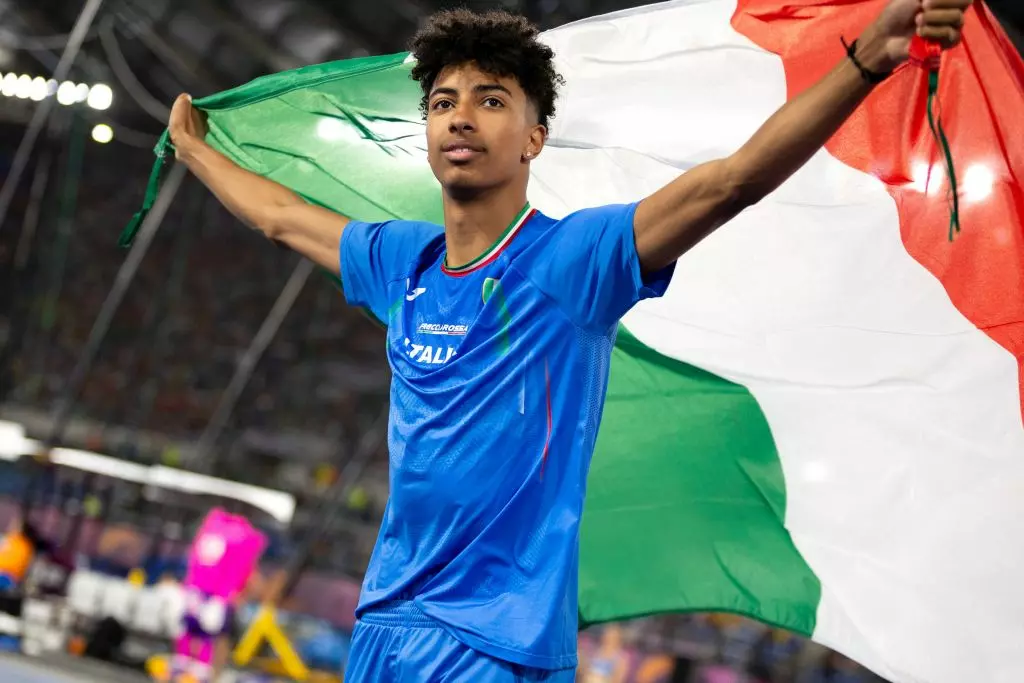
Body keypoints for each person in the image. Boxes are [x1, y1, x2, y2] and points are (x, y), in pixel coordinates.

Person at [165, 1, 972, 680]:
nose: (460, 116)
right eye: (443, 102)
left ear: (533, 138)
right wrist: (195, 149)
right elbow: (281, 217)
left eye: (490, 100)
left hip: (496, 643)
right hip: (385, 624)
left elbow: (731, 181)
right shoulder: (400, 260)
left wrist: (866, 59)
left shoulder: (571, 260)